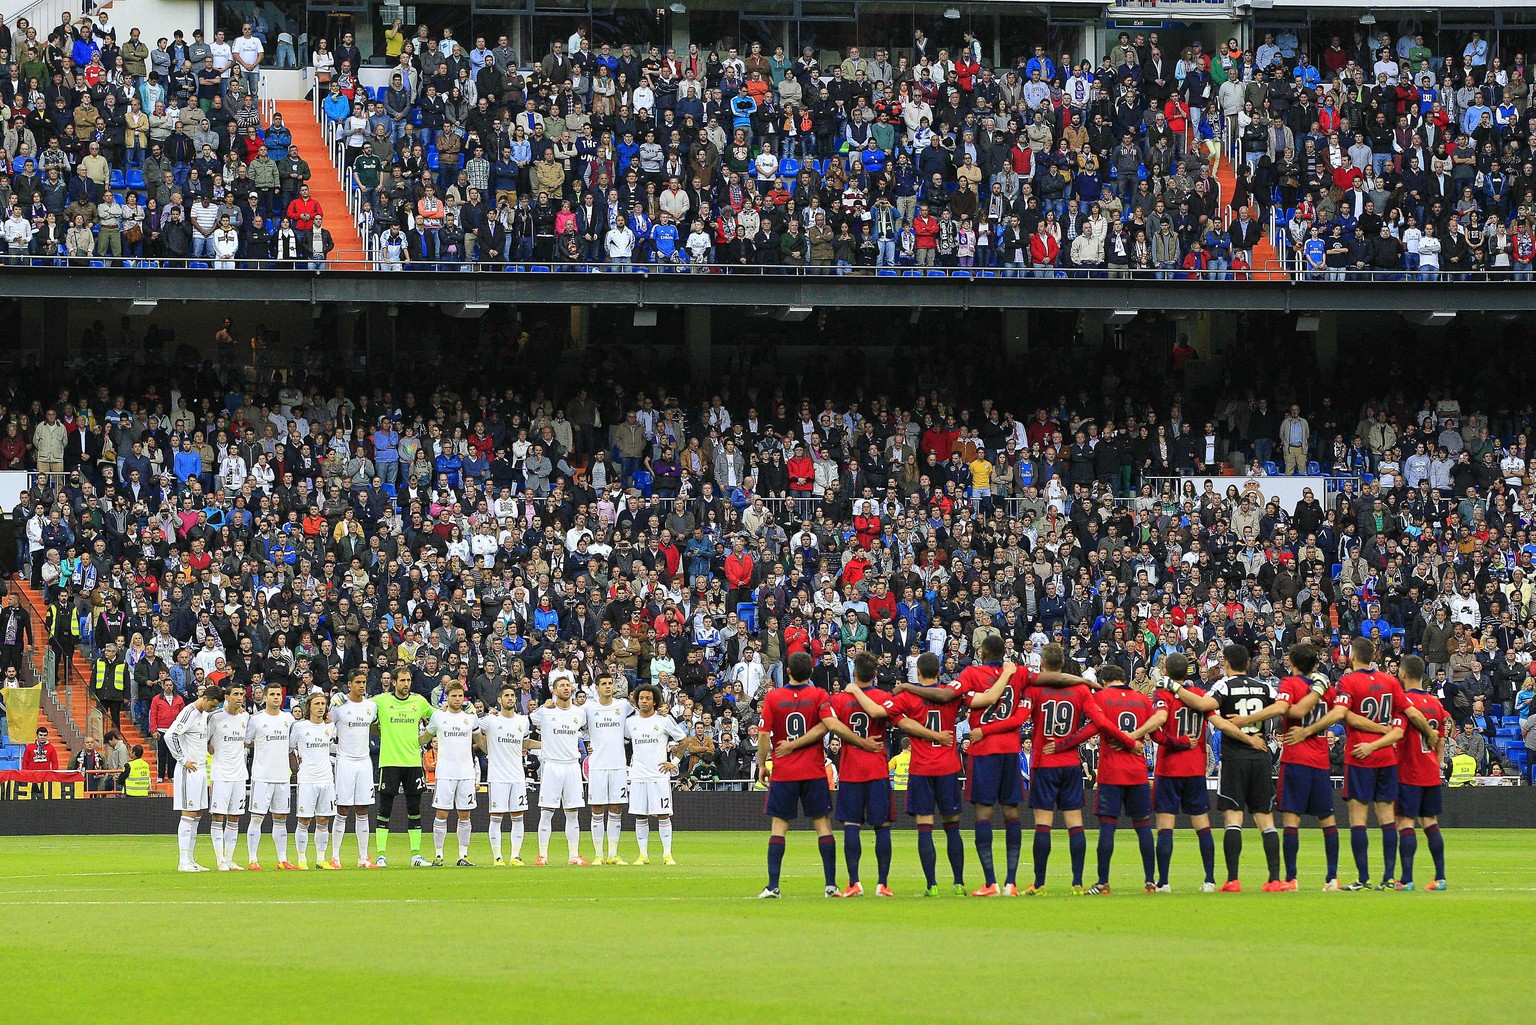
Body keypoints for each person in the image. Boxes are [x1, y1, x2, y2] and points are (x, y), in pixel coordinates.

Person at [1293, 637, 1426, 889]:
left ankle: (1363, 878)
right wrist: (1431, 734)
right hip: (1387, 757)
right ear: (1374, 656)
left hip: (1359, 755)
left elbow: (1341, 714)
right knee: (1387, 817)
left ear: (1352, 656)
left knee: (1358, 818)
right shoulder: (1390, 681)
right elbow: (1411, 712)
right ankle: (1388, 878)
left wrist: (1308, 730)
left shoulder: (1348, 681)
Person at [847, 650, 966, 896]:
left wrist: (856, 690)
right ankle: (958, 883)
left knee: (925, 826)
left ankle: (932, 885)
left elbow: (879, 713)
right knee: (952, 826)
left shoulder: (907, 698)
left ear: (917, 672)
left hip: (922, 768)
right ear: (940, 671)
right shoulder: (952, 695)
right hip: (948, 767)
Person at [1171, 643, 1283, 891]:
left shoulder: (1224, 685)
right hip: (1261, 755)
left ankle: (1233, 880)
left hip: (1235, 758)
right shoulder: (1264, 686)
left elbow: (1203, 705)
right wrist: (1258, 719)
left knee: (1233, 819)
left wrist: (1174, 686)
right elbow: (1282, 707)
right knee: (1266, 820)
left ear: (1228, 664)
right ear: (1249, 664)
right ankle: (1275, 879)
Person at [1232, 642, 1340, 890]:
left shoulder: (1290, 684)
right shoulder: (1326, 689)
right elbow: (1338, 713)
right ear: (1315, 664)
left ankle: (1291, 878)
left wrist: (1245, 720)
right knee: (1328, 820)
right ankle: (1332, 877)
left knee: (1292, 821)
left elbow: (1281, 708)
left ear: (1290, 662)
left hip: (1296, 760)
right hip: (1321, 761)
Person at [756, 650, 840, 898]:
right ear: (811, 672)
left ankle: (773, 886)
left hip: (783, 771)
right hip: (813, 770)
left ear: (788, 672)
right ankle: (830, 885)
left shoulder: (774, 697)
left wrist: (763, 764)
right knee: (823, 825)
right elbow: (827, 725)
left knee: (779, 827)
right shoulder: (819, 695)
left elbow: (763, 734)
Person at [818, 650, 899, 897]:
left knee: (851, 826)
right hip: (877, 769)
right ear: (875, 674)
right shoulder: (884, 697)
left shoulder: (840, 700)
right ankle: (882, 884)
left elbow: (830, 726)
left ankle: (854, 882)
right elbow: (888, 717)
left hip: (851, 770)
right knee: (882, 826)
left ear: (854, 673)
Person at [1088, 664, 1159, 894]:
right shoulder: (1142, 700)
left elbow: (1093, 727)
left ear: (1105, 681)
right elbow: (1156, 734)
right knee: (1143, 826)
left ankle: (1103, 882)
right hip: (1137, 771)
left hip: (1110, 771)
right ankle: (1150, 881)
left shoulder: (1101, 697)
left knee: (1108, 827)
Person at [1151, 654, 1217, 892]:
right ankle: (1209, 880)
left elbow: (1155, 733)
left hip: (1169, 768)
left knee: (1165, 825)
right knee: (1202, 824)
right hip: (1195, 769)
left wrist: (1175, 742)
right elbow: (1215, 719)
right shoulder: (1199, 695)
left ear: (1166, 671)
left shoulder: (1163, 695)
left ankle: (1164, 882)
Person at [1393, 655, 1451, 891]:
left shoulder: (1404, 702)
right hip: (1430, 772)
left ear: (1403, 674)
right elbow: (1441, 742)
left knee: (1405, 822)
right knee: (1430, 822)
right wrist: (1435, 766)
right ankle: (1440, 878)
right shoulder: (1435, 703)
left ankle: (1406, 879)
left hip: (1409, 770)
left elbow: (1398, 734)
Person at [371, 667, 434, 867]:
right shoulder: (380, 701)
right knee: (384, 809)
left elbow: (439, 718)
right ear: (394, 682)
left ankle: (416, 855)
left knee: (414, 809)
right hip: (389, 762)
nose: (406, 684)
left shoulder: (419, 702)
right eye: (402, 681)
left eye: (408, 680)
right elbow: (365, 715)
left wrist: (424, 738)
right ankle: (381, 854)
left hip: (412, 763)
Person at [530, 670, 589, 866]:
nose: (565, 688)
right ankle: (542, 855)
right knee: (547, 812)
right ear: (554, 690)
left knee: (572, 812)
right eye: (561, 686)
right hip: (552, 765)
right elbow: (532, 719)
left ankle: (574, 855)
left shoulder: (579, 713)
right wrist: (543, 706)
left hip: (572, 766)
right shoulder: (545, 712)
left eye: (568, 685)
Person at [626, 682, 687, 865]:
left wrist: (674, 762)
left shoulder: (664, 721)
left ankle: (667, 854)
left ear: (654, 702)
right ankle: (643, 855)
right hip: (637, 776)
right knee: (640, 815)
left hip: (659, 776)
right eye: (641, 698)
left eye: (648, 698)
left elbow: (683, 741)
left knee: (663, 815)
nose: (644, 701)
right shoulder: (630, 722)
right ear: (637, 701)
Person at [165, 684, 223, 872]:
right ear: (204, 698)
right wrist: (182, 759)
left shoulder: (204, 716)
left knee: (197, 814)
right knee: (188, 814)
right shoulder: (189, 712)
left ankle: (190, 859)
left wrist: (207, 745)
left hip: (200, 770)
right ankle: (183, 861)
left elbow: (195, 737)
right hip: (187, 771)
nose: (213, 710)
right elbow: (170, 735)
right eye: (212, 706)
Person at [423, 681, 481, 867]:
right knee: (441, 813)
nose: (457, 699)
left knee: (465, 814)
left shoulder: (471, 718)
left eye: (459, 696)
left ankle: (463, 855)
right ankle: (439, 854)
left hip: (466, 773)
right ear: (446, 697)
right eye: (453, 696)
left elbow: (480, 740)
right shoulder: (438, 717)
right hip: (445, 772)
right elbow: (424, 738)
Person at [481, 683, 537, 865]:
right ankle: (498, 857)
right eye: (506, 695)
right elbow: (473, 729)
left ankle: (514, 856)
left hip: (517, 776)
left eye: (513, 695)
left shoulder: (522, 721)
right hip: (497, 777)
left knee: (518, 816)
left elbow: (526, 744)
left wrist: (549, 745)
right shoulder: (491, 721)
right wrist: (485, 748)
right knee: (496, 818)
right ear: (499, 699)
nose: (510, 698)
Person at [330, 670, 379, 868]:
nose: (361, 685)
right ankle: (335, 856)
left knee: (363, 809)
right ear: (349, 684)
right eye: (357, 682)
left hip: (364, 761)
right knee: (342, 809)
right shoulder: (339, 706)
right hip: (345, 761)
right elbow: (326, 725)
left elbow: (376, 727)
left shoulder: (371, 706)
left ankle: (363, 857)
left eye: (364, 682)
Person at [245, 681, 296, 870]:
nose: (276, 697)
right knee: (257, 818)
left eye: (278, 694)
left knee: (281, 819)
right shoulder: (256, 719)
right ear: (264, 697)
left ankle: (282, 859)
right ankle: (252, 859)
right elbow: (247, 741)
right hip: (262, 776)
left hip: (282, 776)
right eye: (272, 694)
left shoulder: (289, 719)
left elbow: (292, 745)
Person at [583, 673, 633, 864]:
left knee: (616, 808)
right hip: (597, 766)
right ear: (596, 687)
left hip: (618, 765)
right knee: (597, 809)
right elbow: (574, 723)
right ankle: (598, 854)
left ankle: (613, 854)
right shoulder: (588, 707)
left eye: (610, 683)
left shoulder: (623, 706)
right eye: (603, 684)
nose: (607, 686)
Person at [290, 692, 339, 869]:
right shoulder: (299, 727)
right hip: (307, 779)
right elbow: (289, 747)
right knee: (304, 820)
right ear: (308, 707)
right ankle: (301, 859)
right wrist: (295, 767)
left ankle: (320, 858)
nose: (320, 707)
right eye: (317, 703)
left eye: (323, 704)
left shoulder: (330, 726)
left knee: (324, 820)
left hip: (326, 779)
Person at [207, 685, 250, 872]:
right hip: (221, 774)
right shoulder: (215, 718)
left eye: (241, 694)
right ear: (227, 697)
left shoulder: (245, 717)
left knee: (235, 818)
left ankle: (230, 859)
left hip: (240, 775)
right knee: (218, 816)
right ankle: (219, 860)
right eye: (235, 694)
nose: (239, 697)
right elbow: (204, 740)